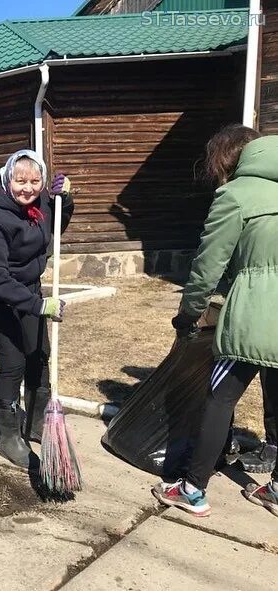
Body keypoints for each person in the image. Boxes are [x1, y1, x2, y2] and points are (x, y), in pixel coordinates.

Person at [153, 125, 278, 518]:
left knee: (220, 396)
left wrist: (188, 314)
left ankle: (191, 490)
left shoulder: (235, 195)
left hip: (258, 313)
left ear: (225, 158)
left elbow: (207, 268)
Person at [0, 149, 73, 469]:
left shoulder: (39, 203)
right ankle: (9, 436)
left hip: (27, 287)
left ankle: (36, 422)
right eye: (20, 180)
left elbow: (54, 229)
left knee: (39, 354)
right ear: (7, 178)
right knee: (13, 361)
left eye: (35, 181)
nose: (27, 187)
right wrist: (38, 305)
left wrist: (64, 202)